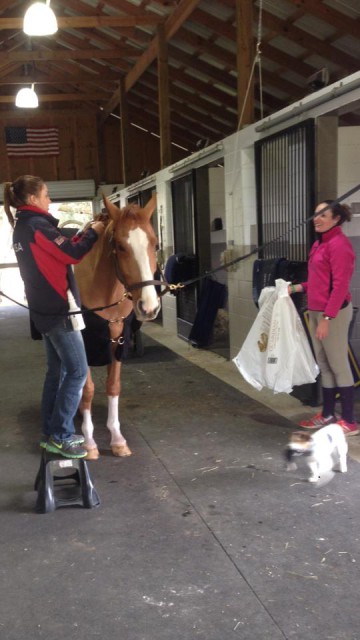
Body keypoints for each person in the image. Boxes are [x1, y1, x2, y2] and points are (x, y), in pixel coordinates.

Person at [4, 175, 105, 458]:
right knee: (77, 371)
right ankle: (61, 435)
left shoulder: (24, 227)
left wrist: (85, 229)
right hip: (59, 311)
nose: (50, 200)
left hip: (43, 311)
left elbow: (58, 246)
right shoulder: (37, 226)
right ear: (33, 199)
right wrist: (94, 233)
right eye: (47, 195)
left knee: (56, 372)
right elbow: (72, 253)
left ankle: (50, 432)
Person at [289, 200, 358, 436]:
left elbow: (339, 286)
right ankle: (328, 414)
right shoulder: (319, 245)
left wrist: (328, 318)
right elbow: (319, 282)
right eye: (315, 214)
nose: (317, 218)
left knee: (338, 364)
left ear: (336, 219)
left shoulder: (340, 245)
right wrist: (297, 288)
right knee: (324, 364)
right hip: (318, 311)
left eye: (323, 215)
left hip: (334, 313)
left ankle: (349, 420)